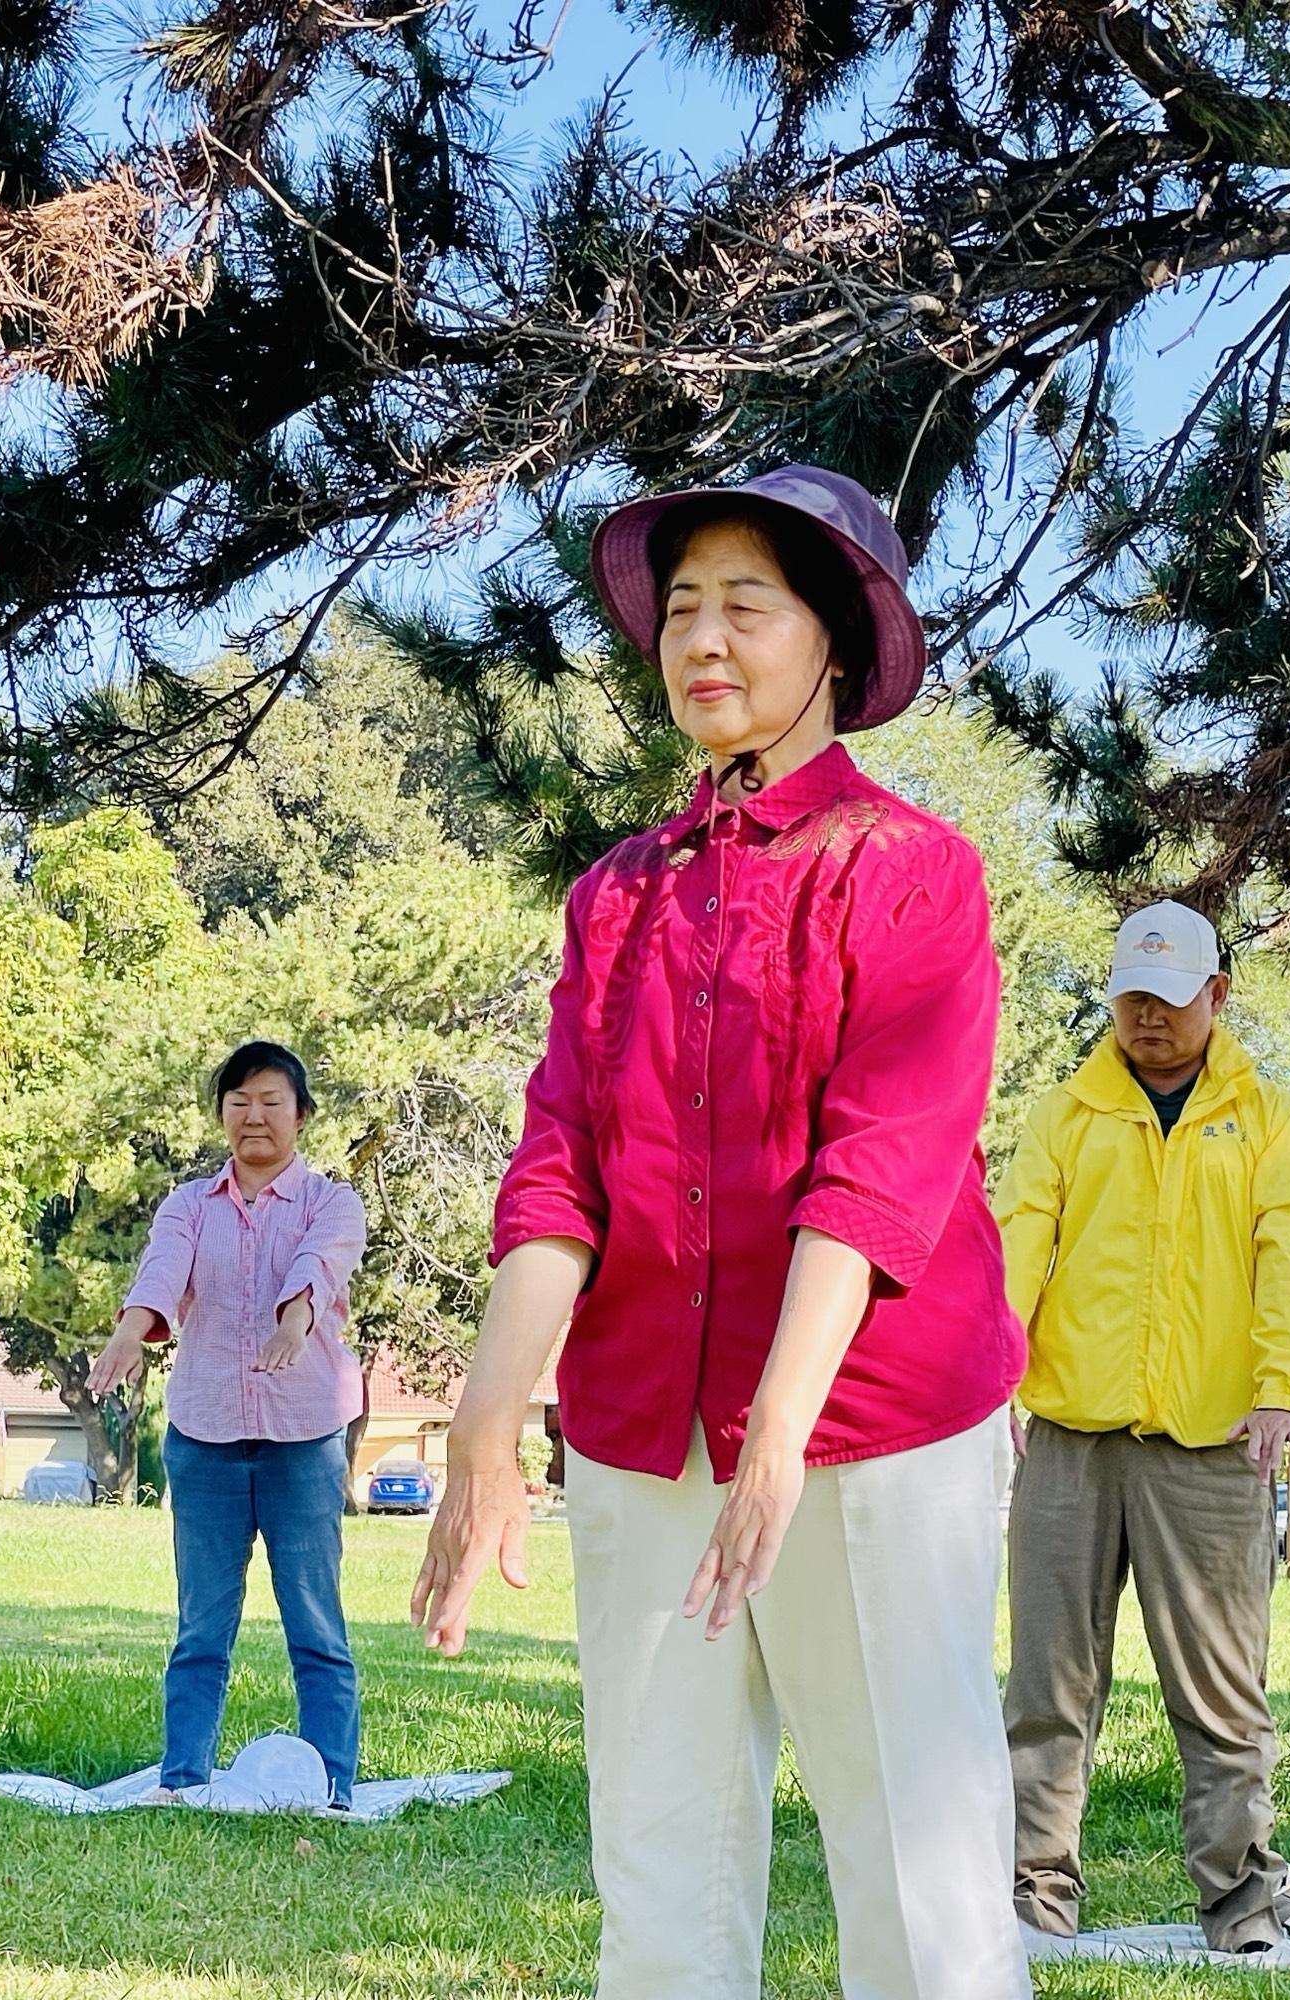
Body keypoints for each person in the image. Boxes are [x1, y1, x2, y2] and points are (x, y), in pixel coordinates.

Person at [411, 465, 1033, 1999]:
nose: (704, 637)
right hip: (645, 1429)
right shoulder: (615, 896)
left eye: (745, 604)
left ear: (834, 641)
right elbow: (561, 1162)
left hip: (873, 1431)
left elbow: (880, 1168)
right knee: (660, 1876)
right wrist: (489, 1418)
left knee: (917, 1879)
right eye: (681, 605)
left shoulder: (916, 874)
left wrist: (777, 1435)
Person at [995, 901, 1290, 1959]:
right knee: (1046, 1687)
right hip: (1068, 1441)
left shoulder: (1267, 1117)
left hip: (1215, 1448)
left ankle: (1243, 1911)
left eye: (1169, 999)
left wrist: (1282, 1387)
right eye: (1131, 995)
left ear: (1217, 994)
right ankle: (1032, 1904)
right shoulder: (1065, 1113)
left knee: (1222, 1698)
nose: (1147, 1017)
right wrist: (992, 1371)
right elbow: (1014, 1243)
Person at [89, 1041, 367, 1808]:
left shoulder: (333, 1204)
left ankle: (334, 1788)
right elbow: (162, 1273)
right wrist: (128, 1330)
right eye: (239, 1101)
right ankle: (182, 1781)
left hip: (304, 1441)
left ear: (301, 1116)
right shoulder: (187, 1206)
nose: (255, 1115)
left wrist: (294, 1318)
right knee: (201, 1627)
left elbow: (318, 1264)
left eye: (272, 1101)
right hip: (205, 1439)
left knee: (315, 1624)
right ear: (221, 1115)